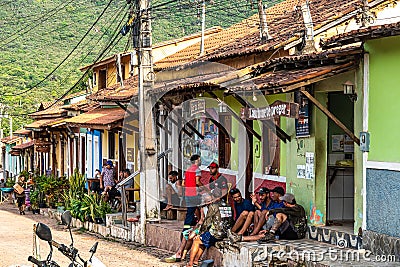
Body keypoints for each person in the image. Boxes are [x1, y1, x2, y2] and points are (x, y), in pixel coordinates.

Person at [229, 193, 307, 243]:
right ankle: (240, 238)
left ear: (286, 203)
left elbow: (284, 210)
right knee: (265, 234)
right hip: (288, 231)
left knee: (280, 214)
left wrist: (271, 211)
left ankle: (271, 233)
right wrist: (269, 230)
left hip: (296, 234)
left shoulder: (298, 208)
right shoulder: (290, 210)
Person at [186, 188, 229, 267]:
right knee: (202, 241)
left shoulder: (213, 206)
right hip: (226, 233)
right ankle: (195, 261)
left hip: (217, 234)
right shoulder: (227, 204)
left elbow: (207, 222)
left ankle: (190, 263)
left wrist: (200, 233)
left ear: (213, 196)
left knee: (196, 240)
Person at [164, 193, 209, 263]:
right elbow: (201, 220)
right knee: (186, 233)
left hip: (207, 228)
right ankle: (180, 253)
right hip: (202, 226)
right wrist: (195, 228)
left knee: (191, 236)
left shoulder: (212, 207)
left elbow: (206, 222)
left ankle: (181, 254)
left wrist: (198, 229)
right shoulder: (202, 208)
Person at [182, 154, 206, 230]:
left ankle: (186, 229)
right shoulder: (197, 169)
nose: (200, 161)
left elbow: (183, 184)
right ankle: (202, 223)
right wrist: (205, 189)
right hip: (194, 194)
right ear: (196, 161)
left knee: (190, 212)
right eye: (200, 160)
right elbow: (197, 182)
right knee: (205, 205)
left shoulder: (187, 170)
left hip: (187, 194)